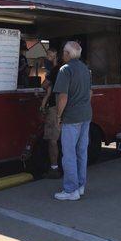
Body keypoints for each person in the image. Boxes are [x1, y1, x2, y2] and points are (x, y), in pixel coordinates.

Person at [53, 41, 92, 201]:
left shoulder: (65, 69)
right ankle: (80, 186)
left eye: (64, 52)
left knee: (68, 154)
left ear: (68, 54)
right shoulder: (85, 69)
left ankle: (70, 190)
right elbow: (90, 93)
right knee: (81, 152)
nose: (62, 54)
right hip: (86, 115)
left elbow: (62, 96)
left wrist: (58, 116)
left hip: (71, 117)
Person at [40, 47, 61, 179]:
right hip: (66, 108)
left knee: (52, 140)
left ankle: (54, 169)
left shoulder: (55, 70)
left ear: (56, 55)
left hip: (55, 107)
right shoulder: (64, 69)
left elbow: (44, 86)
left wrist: (43, 104)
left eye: (49, 53)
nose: (47, 55)